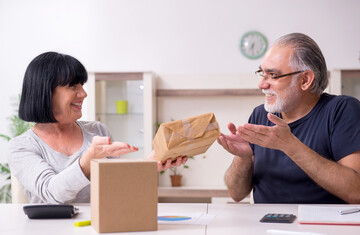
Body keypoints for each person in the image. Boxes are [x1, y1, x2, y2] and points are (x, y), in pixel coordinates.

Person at [8, 52, 187, 204]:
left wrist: (150, 164)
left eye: (82, 85)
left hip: (99, 228)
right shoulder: (22, 146)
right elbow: (51, 193)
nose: (83, 94)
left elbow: (116, 187)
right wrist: (88, 160)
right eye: (73, 86)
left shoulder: (97, 131)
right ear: (46, 92)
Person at [218, 33, 360, 204]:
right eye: (262, 73)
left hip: (322, 228)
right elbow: (237, 194)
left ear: (305, 80)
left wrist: (290, 145)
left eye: (273, 75)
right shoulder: (260, 115)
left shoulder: (340, 110)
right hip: (265, 227)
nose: (262, 84)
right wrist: (243, 158)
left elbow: (356, 192)